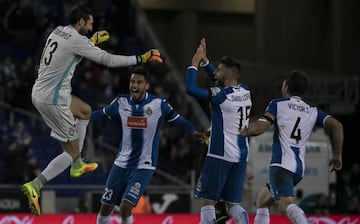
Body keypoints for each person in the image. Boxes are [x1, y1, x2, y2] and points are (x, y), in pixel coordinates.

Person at [22, 3, 163, 216]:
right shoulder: (77, 40)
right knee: (70, 153)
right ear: (80, 21)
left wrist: (90, 42)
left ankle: (78, 164)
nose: (92, 25)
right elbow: (107, 59)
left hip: (48, 92)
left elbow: (68, 52)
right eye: (89, 23)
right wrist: (140, 58)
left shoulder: (58, 30)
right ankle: (36, 185)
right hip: (52, 100)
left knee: (85, 111)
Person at [93, 67, 199, 224]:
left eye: (139, 82)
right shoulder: (121, 102)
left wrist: (194, 131)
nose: (134, 85)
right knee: (105, 207)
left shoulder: (158, 104)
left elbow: (179, 120)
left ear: (147, 85)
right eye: (133, 81)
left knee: (125, 206)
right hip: (120, 164)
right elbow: (100, 114)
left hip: (144, 166)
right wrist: (80, 118)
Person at [239, 70, 343, 224]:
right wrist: (337, 155)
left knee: (284, 205)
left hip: (281, 165)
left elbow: (261, 127)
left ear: (286, 87)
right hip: (298, 169)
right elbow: (337, 126)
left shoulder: (278, 105)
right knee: (261, 201)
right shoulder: (312, 111)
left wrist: (243, 131)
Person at [186, 38, 251, 224]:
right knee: (233, 205)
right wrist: (206, 62)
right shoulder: (245, 90)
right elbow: (218, 78)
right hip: (241, 156)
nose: (215, 72)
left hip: (220, 155)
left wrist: (195, 64)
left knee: (208, 203)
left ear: (228, 75)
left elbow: (190, 89)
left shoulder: (222, 97)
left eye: (219, 69)